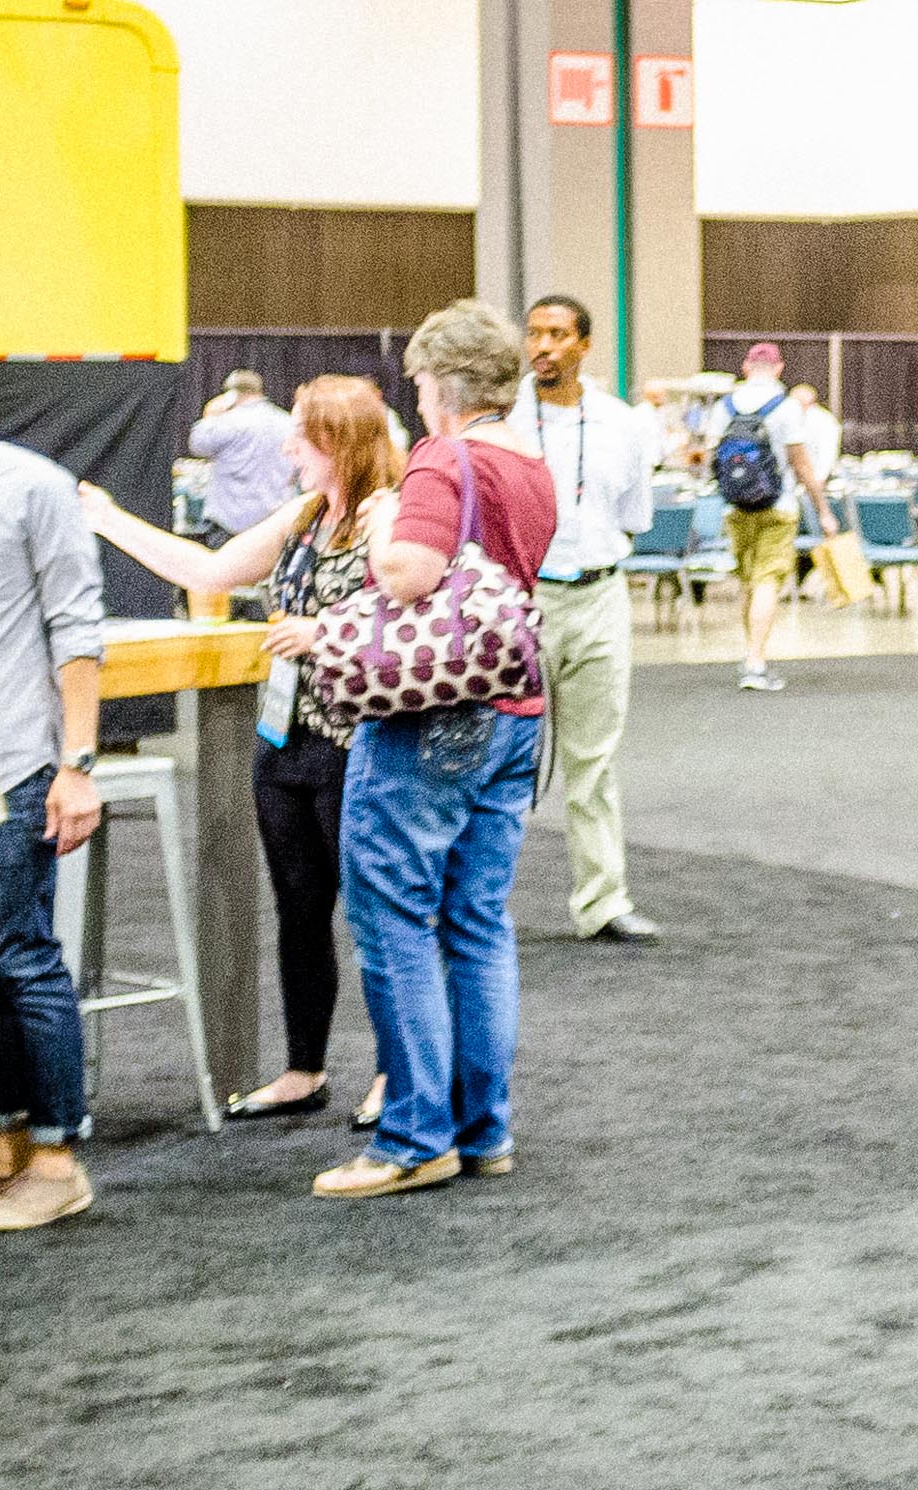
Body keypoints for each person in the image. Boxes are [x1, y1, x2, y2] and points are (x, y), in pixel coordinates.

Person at [82, 376, 400, 1124]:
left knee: (379, 916)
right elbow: (208, 571)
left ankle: (399, 1073)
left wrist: (327, 634)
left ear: (339, 444)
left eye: (301, 435)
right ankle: (303, 1070)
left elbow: (403, 611)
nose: (287, 446)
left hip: (357, 743)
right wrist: (110, 520)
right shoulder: (304, 516)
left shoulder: (389, 517)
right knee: (298, 908)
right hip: (285, 739)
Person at [312, 299, 556, 1200]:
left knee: (395, 924)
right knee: (478, 924)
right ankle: (481, 1128)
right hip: (514, 710)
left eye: (417, 382)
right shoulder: (529, 463)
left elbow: (408, 574)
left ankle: (414, 1138)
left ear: (441, 385)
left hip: (428, 716)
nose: (414, 399)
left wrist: (382, 529)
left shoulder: (439, 459)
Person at [0, 393, 103, 1230]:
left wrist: (76, 766)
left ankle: (60, 1158)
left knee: (26, 960)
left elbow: (76, 628)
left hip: (19, 767)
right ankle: (11, 1147)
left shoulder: (31, 487)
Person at [509, 295, 661, 944]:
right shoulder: (505, 419)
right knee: (499, 755)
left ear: (584, 346)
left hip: (599, 597)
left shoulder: (623, 424)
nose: (542, 346)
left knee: (592, 760)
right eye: (534, 334)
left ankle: (602, 903)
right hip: (522, 600)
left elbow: (634, 517)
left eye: (557, 335)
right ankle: (470, 904)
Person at [701, 343, 837, 692]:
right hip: (778, 507)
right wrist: (822, 509)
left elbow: (709, 458)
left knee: (749, 580)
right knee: (768, 581)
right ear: (779, 369)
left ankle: (751, 651)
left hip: (735, 507)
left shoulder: (724, 405)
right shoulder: (787, 408)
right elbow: (801, 464)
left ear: (746, 366)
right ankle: (756, 662)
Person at [187, 370, 296, 543]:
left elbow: (197, 445)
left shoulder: (226, 422)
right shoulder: (287, 422)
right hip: (274, 525)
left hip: (230, 527)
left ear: (230, 395)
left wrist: (209, 417)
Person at [789, 384, 843, 489]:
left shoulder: (825, 421)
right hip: (793, 480)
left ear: (809, 402)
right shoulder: (790, 417)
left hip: (814, 478)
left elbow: (827, 453)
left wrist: (819, 479)